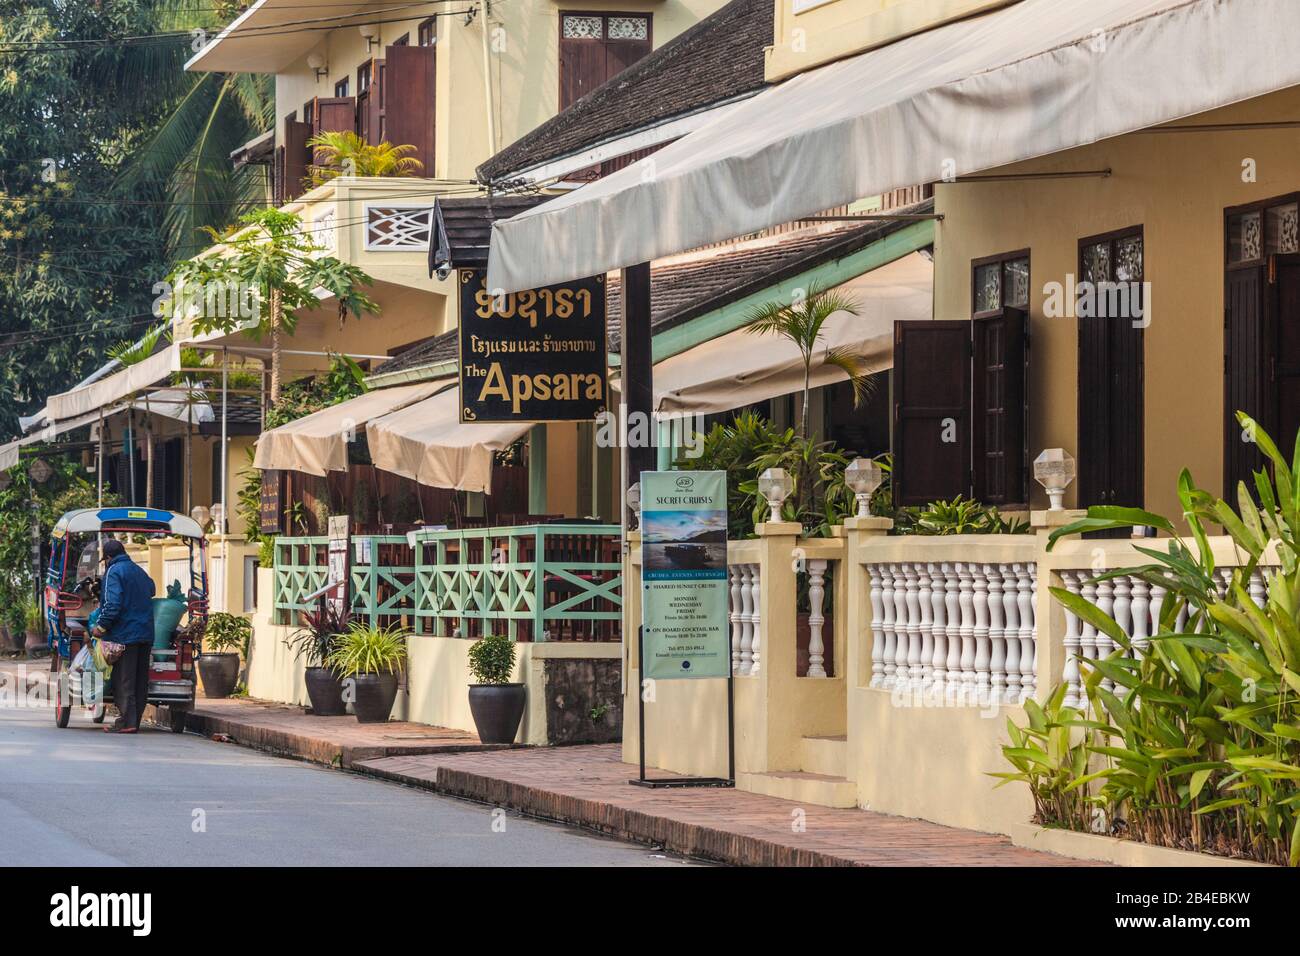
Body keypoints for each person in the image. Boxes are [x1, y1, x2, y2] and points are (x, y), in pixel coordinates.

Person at [92, 538, 157, 733]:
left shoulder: (113, 571)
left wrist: (101, 627)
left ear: (108, 557)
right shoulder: (138, 570)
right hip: (145, 632)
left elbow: (112, 604)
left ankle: (127, 723)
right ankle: (132, 722)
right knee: (139, 679)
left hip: (125, 634)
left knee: (125, 679)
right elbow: (152, 589)